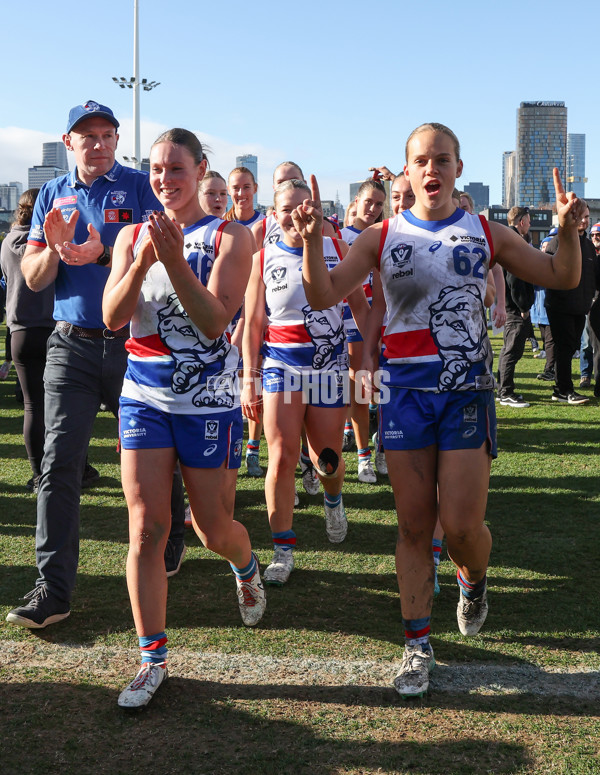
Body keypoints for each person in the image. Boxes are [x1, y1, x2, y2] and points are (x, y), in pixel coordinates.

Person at [295, 122, 583, 698]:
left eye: (442, 160)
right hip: (404, 396)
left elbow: (562, 274)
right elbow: (324, 294)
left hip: (466, 394)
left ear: (457, 167)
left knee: (461, 527)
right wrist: (308, 242)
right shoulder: (380, 237)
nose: (432, 170)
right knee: (412, 525)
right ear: (407, 171)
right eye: (421, 161)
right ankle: (417, 645)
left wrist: (568, 231)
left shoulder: (484, 231)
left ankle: (473, 577)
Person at [5, 101, 185, 631]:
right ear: (69, 142)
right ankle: (53, 588)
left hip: (135, 342)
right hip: (71, 344)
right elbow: (35, 278)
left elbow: (167, 248)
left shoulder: (139, 185)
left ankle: (171, 539)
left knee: (156, 451)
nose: (99, 144)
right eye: (89, 136)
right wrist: (58, 250)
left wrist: (102, 254)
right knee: (59, 462)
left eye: (108, 135)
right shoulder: (51, 196)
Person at [103, 128, 265, 710]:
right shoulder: (131, 235)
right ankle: (152, 658)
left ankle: (245, 566)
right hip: (143, 396)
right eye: (155, 169)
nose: (165, 179)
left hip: (208, 402)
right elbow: (112, 316)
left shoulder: (231, 236)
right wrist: (143, 257)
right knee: (146, 527)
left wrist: (172, 262)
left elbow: (215, 322)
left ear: (200, 171)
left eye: (176, 169)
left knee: (211, 527)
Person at [241, 178, 368, 586]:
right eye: (285, 209)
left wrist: (359, 363)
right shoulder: (262, 259)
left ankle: (333, 497)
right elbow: (253, 323)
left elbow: (360, 309)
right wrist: (249, 376)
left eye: (302, 206)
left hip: (328, 369)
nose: (295, 215)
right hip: (281, 367)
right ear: (274, 214)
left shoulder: (336, 249)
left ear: (313, 208)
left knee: (325, 457)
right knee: (280, 455)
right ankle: (282, 548)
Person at [340, 178, 387, 483]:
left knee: (383, 389)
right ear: (355, 202)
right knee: (359, 389)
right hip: (351, 321)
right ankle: (363, 456)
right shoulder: (338, 237)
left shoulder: (386, 235)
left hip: (384, 321)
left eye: (379, 204)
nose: (372, 208)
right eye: (368, 201)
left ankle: (382, 447)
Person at [544, 203, 597, 404]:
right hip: (561, 306)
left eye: (587, 217)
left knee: (570, 347)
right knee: (564, 348)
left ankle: (561, 388)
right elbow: (548, 274)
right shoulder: (557, 242)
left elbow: (593, 276)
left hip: (580, 307)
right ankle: (563, 390)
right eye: (581, 216)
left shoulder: (589, 245)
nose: (585, 220)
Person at [496, 206, 536, 408]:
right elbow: (515, 277)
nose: (530, 224)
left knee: (508, 350)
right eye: (528, 220)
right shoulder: (515, 242)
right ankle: (506, 393)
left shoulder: (509, 239)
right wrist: (523, 305)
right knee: (512, 350)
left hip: (511, 305)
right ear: (521, 222)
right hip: (516, 308)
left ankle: (502, 390)